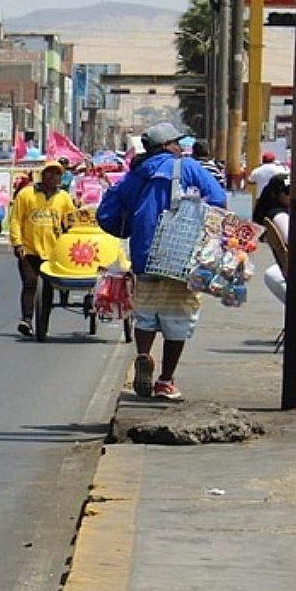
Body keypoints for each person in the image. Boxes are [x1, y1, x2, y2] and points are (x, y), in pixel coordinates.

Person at [98, 122, 227, 400]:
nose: (182, 147)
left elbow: (107, 214)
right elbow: (218, 199)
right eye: (178, 143)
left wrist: (130, 228)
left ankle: (144, 355)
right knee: (178, 319)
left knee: (145, 315)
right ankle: (165, 381)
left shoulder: (135, 175)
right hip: (181, 254)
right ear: (168, 145)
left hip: (145, 253)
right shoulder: (188, 167)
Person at [10, 162, 77, 337]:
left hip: (53, 251)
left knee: (47, 288)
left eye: (57, 174)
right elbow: (16, 220)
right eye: (49, 173)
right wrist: (17, 243)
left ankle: (42, 322)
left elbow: (70, 222)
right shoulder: (26, 194)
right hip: (29, 249)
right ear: (43, 175)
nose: (52, 177)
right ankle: (26, 319)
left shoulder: (63, 197)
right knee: (30, 283)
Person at [252, 175, 290, 303]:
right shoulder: (279, 214)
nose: (291, 195)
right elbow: (290, 239)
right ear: (275, 194)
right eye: (287, 191)